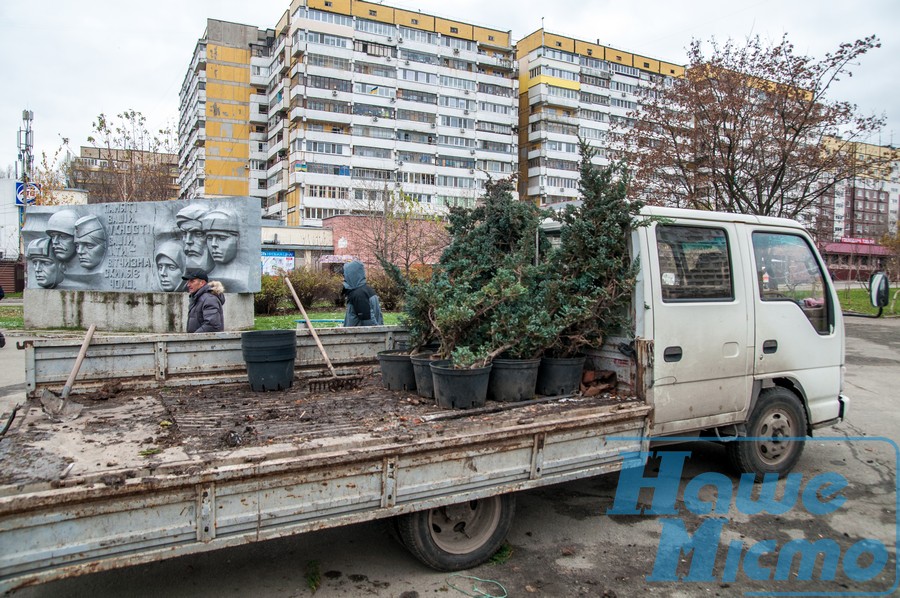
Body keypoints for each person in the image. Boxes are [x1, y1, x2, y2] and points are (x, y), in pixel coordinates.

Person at [341, 261, 383, 327]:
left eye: (345, 276)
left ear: (352, 275)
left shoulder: (359, 295)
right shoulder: (366, 290)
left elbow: (368, 323)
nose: (343, 279)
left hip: (359, 336)